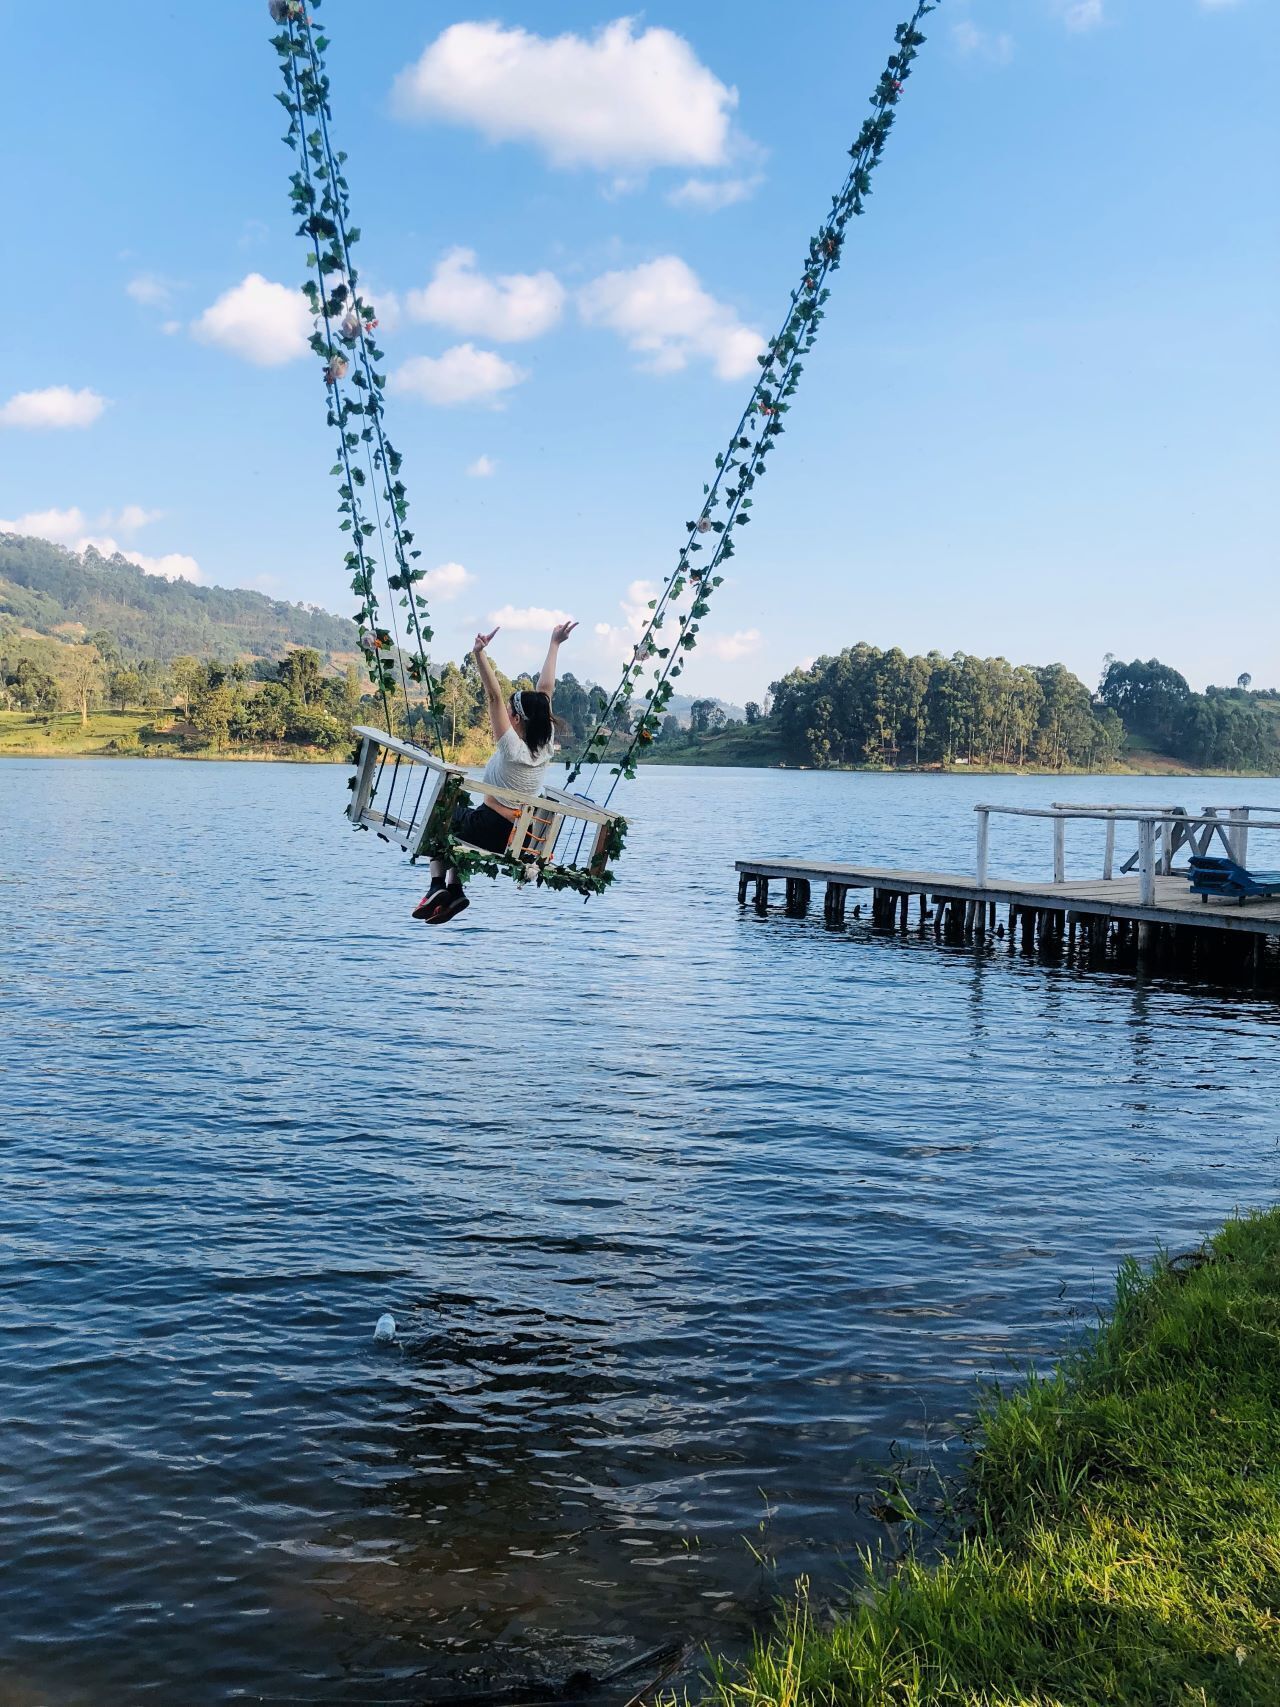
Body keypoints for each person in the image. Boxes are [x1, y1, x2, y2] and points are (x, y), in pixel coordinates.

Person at [413, 620, 577, 923]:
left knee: (441, 815)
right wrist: (554, 644)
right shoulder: (546, 745)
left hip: (490, 828)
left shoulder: (511, 747)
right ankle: (455, 891)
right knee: (462, 816)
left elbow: (494, 697)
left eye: (511, 712)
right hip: (515, 836)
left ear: (515, 718)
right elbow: (545, 691)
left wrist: (479, 654)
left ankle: (437, 885)